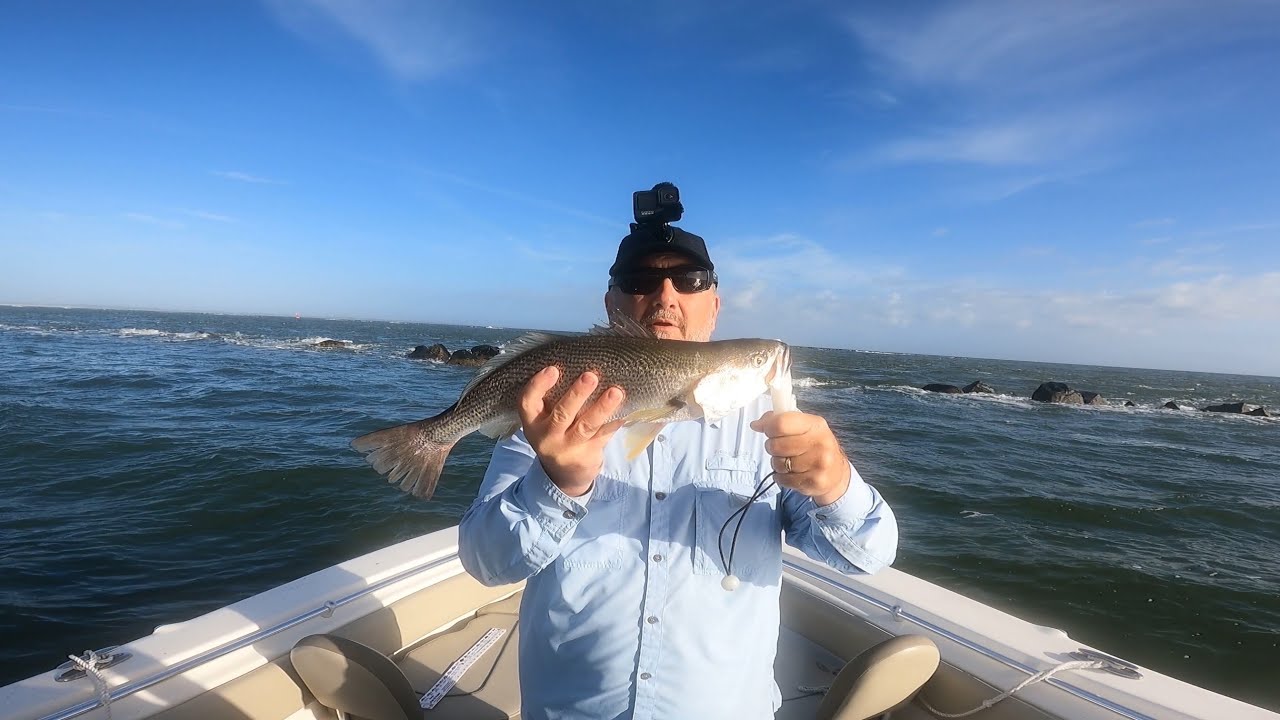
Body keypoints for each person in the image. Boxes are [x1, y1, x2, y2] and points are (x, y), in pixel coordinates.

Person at [458, 218, 898, 719]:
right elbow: (484, 562)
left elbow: (867, 556)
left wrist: (835, 483)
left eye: (689, 281)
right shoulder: (551, 413)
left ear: (715, 305)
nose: (665, 295)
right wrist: (556, 483)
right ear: (611, 305)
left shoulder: (772, 432)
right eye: (640, 281)